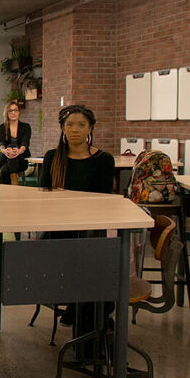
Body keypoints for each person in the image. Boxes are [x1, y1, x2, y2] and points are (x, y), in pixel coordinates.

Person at [37, 104, 118, 336]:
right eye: (70, 125)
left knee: (99, 268)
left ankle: (88, 322)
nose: (75, 130)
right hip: (58, 235)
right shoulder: (53, 157)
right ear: (62, 128)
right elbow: (42, 197)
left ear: (90, 128)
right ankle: (87, 319)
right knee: (90, 271)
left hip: (91, 234)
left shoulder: (103, 160)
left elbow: (103, 202)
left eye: (81, 125)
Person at [0, 101, 32, 184]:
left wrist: (19, 151)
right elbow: (1, 142)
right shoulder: (2, 127)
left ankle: (10, 181)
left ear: (19, 112)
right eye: (10, 111)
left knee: (4, 170)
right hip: (4, 158)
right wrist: (5, 151)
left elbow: (25, 142)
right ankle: (14, 180)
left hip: (21, 159)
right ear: (7, 113)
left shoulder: (26, 127)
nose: (13, 113)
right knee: (11, 146)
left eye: (15, 110)